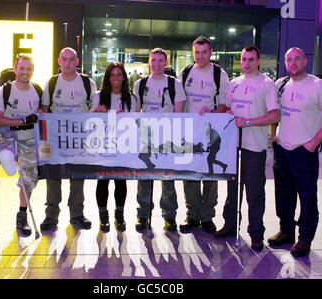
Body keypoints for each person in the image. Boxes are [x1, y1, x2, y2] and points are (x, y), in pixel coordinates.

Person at [268, 47, 322, 257]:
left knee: (307, 197)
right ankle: (286, 231)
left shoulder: (318, 86)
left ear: (305, 61)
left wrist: (313, 143)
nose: (293, 62)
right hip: (282, 149)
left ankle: (305, 238)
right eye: (289, 59)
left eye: (297, 59)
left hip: (304, 152)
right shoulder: (280, 84)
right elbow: (275, 114)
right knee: (283, 194)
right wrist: (273, 137)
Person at [215, 46, 280, 251]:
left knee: (254, 191)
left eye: (251, 59)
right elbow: (226, 108)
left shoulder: (267, 84)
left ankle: (256, 233)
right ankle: (230, 224)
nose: (247, 63)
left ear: (258, 61)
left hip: (254, 146)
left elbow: (275, 115)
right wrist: (225, 113)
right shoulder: (234, 84)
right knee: (233, 188)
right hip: (233, 144)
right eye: (244, 59)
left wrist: (249, 122)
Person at [40, 47, 97, 231]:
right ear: (59, 61)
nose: (68, 63)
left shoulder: (88, 83)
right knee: (53, 175)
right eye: (64, 59)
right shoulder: (51, 82)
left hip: (79, 137)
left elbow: (93, 110)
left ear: (77, 62)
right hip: (56, 137)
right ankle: (51, 215)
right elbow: (45, 109)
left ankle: (77, 214)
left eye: (71, 59)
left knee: (77, 175)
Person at [177, 36, 230, 234]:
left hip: (211, 132)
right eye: (197, 52)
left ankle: (207, 216)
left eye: (204, 52)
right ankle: (192, 215)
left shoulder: (219, 74)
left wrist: (214, 113)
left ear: (211, 52)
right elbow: (180, 101)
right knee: (189, 174)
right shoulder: (186, 72)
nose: (200, 56)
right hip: (190, 133)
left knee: (209, 174)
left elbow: (224, 103)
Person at [133, 48, 185, 233]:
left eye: (160, 61)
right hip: (146, 137)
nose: (156, 64)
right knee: (144, 178)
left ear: (166, 63)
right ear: (149, 61)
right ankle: (143, 215)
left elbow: (178, 114)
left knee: (167, 178)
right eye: (153, 60)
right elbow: (136, 112)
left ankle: (169, 216)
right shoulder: (140, 84)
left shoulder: (175, 85)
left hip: (167, 138)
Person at [0, 55, 41, 236]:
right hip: (8, 135)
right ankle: (8, 160)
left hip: (30, 139)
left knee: (28, 178)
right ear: (15, 69)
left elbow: (43, 111)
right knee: (8, 159)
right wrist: (21, 120)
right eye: (22, 68)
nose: (25, 72)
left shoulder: (36, 90)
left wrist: (40, 112)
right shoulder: (3, 91)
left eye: (28, 69)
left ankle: (22, 216)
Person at [91, 62, 137, 233]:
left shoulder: (131, 98)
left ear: (124, 77)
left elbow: (136, 123)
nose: (116, 78)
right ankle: (103, 218)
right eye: (112, 75)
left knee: (120, 181)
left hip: (123, 147)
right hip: (103, 146)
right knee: (102, 181)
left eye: (119, 74)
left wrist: (128, 118)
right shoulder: (98, 96)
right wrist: (96, 113)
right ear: (107, 78)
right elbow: (90, 122)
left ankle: (120, 216)